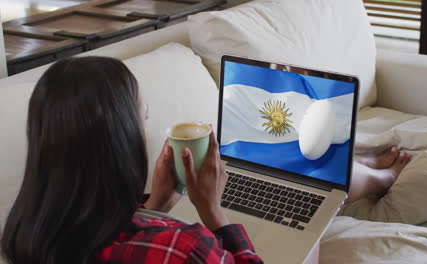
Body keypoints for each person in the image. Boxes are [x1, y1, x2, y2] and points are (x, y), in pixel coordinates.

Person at [0, 57, 263, 264]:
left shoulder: (24, 235)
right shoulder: (184, 249)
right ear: (123, 140)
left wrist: (154, 207)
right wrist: (213, 211)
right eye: (143, 118)